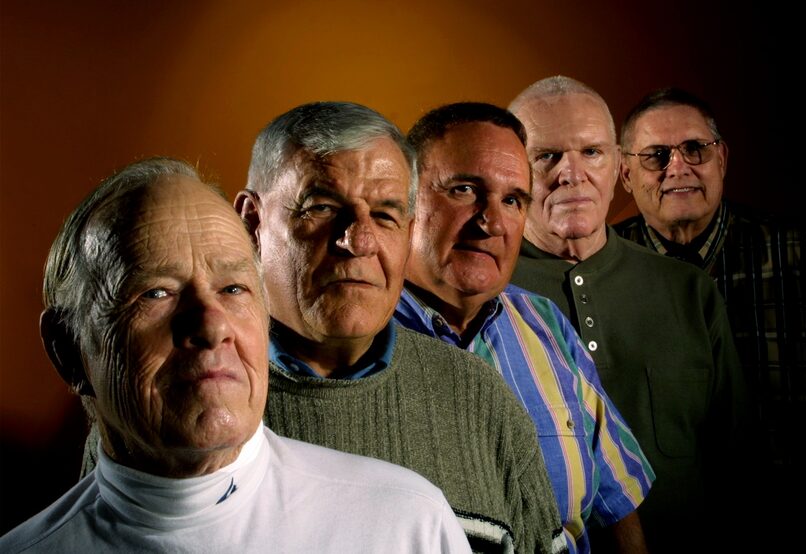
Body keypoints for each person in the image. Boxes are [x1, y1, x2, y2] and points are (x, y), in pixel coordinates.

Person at [0, 157, 473, 553]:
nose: (211, 325)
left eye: (233, 288)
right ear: (67, 350)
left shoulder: (406, 525)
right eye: (156, 294)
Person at [234, 101, 567, 553]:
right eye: (324, 207)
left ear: (408, 231)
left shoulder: (481, 398)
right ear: (252, 222)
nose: (360, 241)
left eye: (386, 215)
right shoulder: (183, 400)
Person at [393, 101, 654, 554]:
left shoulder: (547, 324)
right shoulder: (355, 341)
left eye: (512, 200)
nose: (490, 222)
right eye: (464, 190)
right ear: (406, 197)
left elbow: (617, 505)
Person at [507, 76, 750, 553]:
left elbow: (738, 462)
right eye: (547, 156)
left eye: (591, 152)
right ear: (513, 169)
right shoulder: (486, 295)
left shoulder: (687, 290)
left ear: (619, 165)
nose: (571, 174)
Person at [615, 87, 806, 550]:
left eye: (695, 148)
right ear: (626, 174)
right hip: (654, 527)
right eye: (656, 156)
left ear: (723, 159)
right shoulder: (598, 269)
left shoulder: (803, 256)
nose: (679, 167)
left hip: (794, 513)